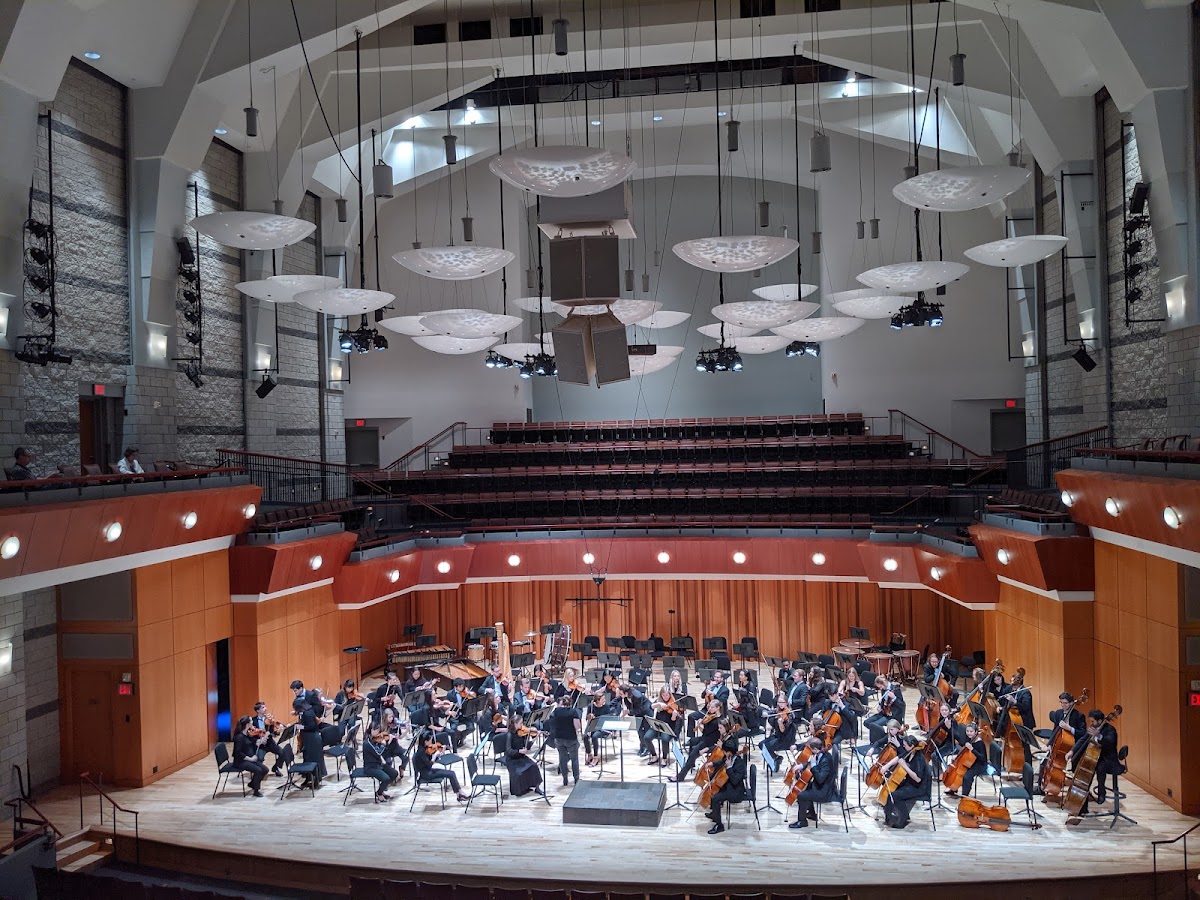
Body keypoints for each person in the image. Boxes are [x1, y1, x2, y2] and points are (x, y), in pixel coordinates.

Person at [1066, 709, 1123, 822]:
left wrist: (1099, 736)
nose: (1091, 723)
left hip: (1108, 758)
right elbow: (1083, 739)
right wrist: (1072, 751)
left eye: (1093, 721)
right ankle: (1082, 807)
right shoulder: (1093, 728)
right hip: (1094, 756)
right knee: (1083, 774)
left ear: (1100, 721)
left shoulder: (1110, 730)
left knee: (1100, 768)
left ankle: (1102, 792)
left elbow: (1110, 743)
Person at [703, 721, 748, 835]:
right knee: (714, 788)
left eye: (726, 752)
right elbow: (722, 762)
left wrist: (729, 768)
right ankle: (715, 814)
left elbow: (735, 780)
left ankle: (719, 825)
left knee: (715, 798)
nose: (725, 755)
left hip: (736, 791)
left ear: (731, 752)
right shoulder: (730, 758)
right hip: (730, 786)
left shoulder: (739, 763)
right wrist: (712, 764)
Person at [880, 734, 930, 829]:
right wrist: (886, 766)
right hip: (909, 783)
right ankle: (891, 816)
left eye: (905, 745)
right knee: (891, 788)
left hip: (918, 788)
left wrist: (905, 766)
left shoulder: (919, 759)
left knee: (895, 795)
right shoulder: (909, 752)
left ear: (912, 746)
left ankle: (900, 821)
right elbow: (898, 758)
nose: (903, 747)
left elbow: (918, 779)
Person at [788, 737, 837, 829]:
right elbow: (811, 762)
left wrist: (813, 765)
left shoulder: (826, 760)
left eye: (810, 749)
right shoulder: (820, 753)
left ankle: (802, 821)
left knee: (801, 795)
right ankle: (812, 814)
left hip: (824, 791)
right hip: (820, 786)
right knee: (805, 788)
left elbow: (820, 779)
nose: (809, 751)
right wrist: (801, 766)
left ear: (815, 749)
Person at [674, 700, 723, 781]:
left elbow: (705, 731)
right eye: (709, 707)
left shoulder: (719, 721)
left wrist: (700, 725)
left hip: (710, 741)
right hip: (705, 738)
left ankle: (680, 776)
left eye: (712, 707)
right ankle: (692, 763)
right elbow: (705, 732)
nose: (710, 709)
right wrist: (700, 724)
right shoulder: (711, 716)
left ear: (718, 708)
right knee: (692, 741)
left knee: (693, 754)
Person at [412, 735, 469, 802]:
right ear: (426, 742)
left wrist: (438, 754)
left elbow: (429, 761)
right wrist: (434, 756)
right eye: (430, 741)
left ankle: (459, 794)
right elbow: (429, 764)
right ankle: (460, 794)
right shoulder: (421, 752)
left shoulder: (423, 749)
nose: (432, 743)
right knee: (451, 774)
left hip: (428, 771)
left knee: (451, 773)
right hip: (427, 774)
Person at [945, 721, 988, 799]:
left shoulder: (980, 743)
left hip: (979, 764)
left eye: (971, 731)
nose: (969, 733)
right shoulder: (969, 739)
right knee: (957, 770)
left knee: (967, 776)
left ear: (976, 732)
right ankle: (953, 788)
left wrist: (972, 749)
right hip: (969, 762)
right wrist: (957, 759)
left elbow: (983, 758)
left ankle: (965, 796)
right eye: (967, 731)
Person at [504, 713, 544, 797]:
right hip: (512, 758)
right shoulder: (509, 735)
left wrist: (535, 738)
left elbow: (527, 746)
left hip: (521, 756)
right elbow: (508, 751)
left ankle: (537, 787)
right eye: (521, 723)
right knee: (519, 772)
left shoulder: (521, 733)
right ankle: (521, 789)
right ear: (515, 724)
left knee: (533, 765)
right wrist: (519, 751)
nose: (522, 725)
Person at [548, 693, 583, 786]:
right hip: (570, 739)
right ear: (571, 703)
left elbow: (552, 721)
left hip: (559, 738)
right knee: (574, 759)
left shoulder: (556, 711)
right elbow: (577, 727)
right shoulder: (573, 712)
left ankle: (565, 779)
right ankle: (576, 779)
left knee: (562, 759)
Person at [231, 716, 268, 797]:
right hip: (241, 761)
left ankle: (252, 783)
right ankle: (256, 790)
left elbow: (251, 745)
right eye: (251, 721)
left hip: (250, 759)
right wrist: (250, 759)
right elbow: (237, 753)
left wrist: (259, 743)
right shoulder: (239, 737)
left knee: (265, 770)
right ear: (247, 724)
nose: (252, 723)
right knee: (258, 770)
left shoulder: (247, 734)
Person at [864, 677, 905, 744]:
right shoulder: (883, 689)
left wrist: (894, 698)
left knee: (874, 725)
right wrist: (880, 706)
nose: (880, 689)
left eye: (880, 687)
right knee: (866, 722)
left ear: (884, 683)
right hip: (884, 712)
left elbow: (902, 705)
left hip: (892, 715)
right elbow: (883, 701)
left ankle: (878, 742)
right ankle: (883, 737)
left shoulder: (896, 689)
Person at [361, 729, 398, 801]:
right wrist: (383, 744)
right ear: (371, 730)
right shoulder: (367, 743)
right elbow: (378, 753)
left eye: (379, 731)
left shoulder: (376, 741)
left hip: (378, 764)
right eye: (376, 731)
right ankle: (379, 793)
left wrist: (388, 742)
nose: (378, 733)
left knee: (394, 773)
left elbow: (384, 753)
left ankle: (381, 790)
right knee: (386, 779)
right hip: (370, 767)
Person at [760, 698, 797, 770]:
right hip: (777, 736)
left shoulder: (790, 714)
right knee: (761, 744)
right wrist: (765, 713)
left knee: (767, 747)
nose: (781, 704)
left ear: (786, 703)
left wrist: (780, 723)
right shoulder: (777, 710)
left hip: (786, 739)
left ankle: (774, 763)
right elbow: (767, 711)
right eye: (779, 702)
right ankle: (776, 758)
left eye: (783, 702)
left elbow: (783, 730)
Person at [651, 685, 684, 765]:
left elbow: (673, 720)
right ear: (661, 695)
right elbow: (651, 706)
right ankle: (654, 755)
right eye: (663, 695)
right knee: (647, 737)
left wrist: (674, 715)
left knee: (665, 739)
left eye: (667, 695)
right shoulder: (659, 701)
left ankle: (664, 758)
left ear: (670, 694)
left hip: (668, 727)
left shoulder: (674, 703)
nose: (665, 697)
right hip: (658, 725)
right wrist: (659, 704)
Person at [249, 702, 284, 775]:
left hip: (270, 743)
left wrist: (277, 731)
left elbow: (273, 733)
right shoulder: (253, 721)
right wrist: (258, 740)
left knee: (282, 753)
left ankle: (275, 768)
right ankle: (259, 772)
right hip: (260, 745)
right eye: (263, 707)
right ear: (258, 711)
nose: (266, 708)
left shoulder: (269, 719)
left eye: (265, 707)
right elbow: (250, 736)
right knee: (260, 758)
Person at [582, 689, 615, 767]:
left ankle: (596, 757)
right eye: (602, 699)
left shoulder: (606, 706)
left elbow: (608, 719)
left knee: (594, 736)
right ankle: (589, 754)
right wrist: (589, 716)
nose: (604, 700)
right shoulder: (591, 706)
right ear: (597, 701)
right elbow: (587, 719)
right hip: (592, 725)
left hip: (602, 727)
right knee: (585, 736)